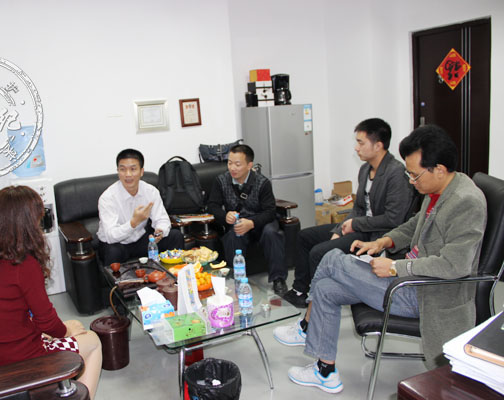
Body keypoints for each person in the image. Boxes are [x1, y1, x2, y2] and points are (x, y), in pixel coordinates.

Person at [273, 125, 487, 394]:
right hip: (410, 279)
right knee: (326, 288)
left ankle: (306, 325)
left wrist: (396, 266)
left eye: (415, 175)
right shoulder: (437, 190)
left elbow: (455, 265)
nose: (411, 181)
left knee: (332, 259)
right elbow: (413, 226)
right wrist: (383, 242)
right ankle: (325, 371)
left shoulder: (466, 201)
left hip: (426, 293)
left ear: (440, 169)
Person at [0, 186, 102, 399]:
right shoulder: (23, 263)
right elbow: (47, 322)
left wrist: (62, 329)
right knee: (93, 341)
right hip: (21, 359)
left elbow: (15, 315)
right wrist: (66, 331)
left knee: (72, 326)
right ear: (27, 224)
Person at [283, 118, 415, 307]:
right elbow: (358, 207)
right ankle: (299, 290)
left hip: (377, 234)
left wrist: (354, 224)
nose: (356, 148)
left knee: (319, 252)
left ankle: (316, 301)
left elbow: (393, 219)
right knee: (304, 236)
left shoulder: (396, 173)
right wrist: (340, 229)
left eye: (361, 143)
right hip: (361, 226)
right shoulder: (365, 169)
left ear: (378, 145)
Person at [207, 144, 288, 294]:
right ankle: (236, 279)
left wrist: (252, 223)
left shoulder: (262, 183)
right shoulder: (221, 181)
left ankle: (278, 279)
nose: (232, 168)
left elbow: (270, 211)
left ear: (249, 165)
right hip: (238, 223)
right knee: (233, 236)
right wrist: (225, 216)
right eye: (229, 163)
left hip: (261, 222)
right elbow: (212, 205)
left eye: (237, 164)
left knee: (272, 233)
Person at [97, 148, 183, 265]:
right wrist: (133, 223)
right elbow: (111, 236)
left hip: (140, 239)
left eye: (133, 169)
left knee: (175, 236)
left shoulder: (150, 191)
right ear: (118, 171)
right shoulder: (108, 198)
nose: (128, 174)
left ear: (141, 171)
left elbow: (162, 219)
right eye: (123, 169)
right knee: (113, 251)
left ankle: (174, 273)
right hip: (116, 244)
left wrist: (160, 232)